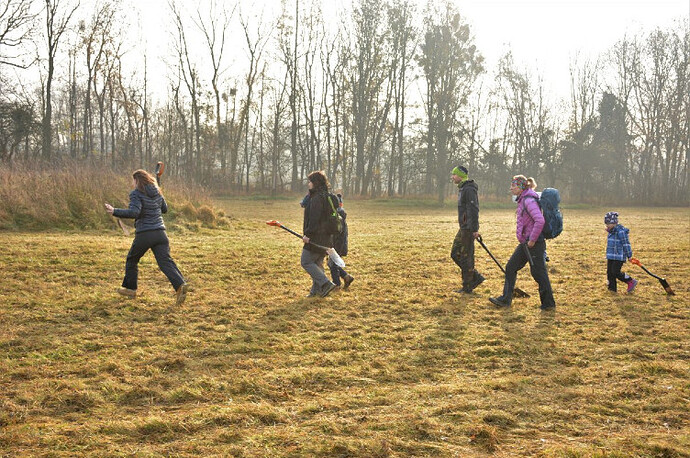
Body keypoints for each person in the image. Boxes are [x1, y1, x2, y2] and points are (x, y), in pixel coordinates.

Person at [105, 169, 188, 305]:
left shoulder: (136, 194)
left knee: (132, 259)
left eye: (133, 180)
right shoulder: (157, 192)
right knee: (165, 262)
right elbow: (164, 209)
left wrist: (115, 211)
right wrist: (159, 193)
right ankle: (180, 285)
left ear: (137, 180)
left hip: (145, 233)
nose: (132, 183)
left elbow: (134, 212)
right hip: (161, 233)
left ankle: (131, 289)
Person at [489, 175, 555, 311]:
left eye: (513, 186)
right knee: (511, 267)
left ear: (520, 187)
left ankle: (548, 304)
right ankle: (505, 299)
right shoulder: (523, 199)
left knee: (539, 273)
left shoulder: (528, 201)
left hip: (534, 244)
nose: (511, 188)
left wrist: (532, 239)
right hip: (526, 243)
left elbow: (540, 220)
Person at [301, 171, 338, 298]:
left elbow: (314, 220)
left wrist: (307, 235)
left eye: (310, 181)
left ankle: (326, 283)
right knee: (317, 263)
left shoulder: (317, 198)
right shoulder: (326, 196)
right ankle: (316, 291)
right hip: (326, 237)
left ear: (315, 183)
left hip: (316, 237)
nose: (308, 184)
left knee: (306, 261)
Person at [450, 165, 485, 294]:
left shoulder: (469, 189)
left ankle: (467, 286)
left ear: (460, 175)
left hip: (468, 228)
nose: (452, 177)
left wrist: (474, 229)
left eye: (454, 174)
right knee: (455, 254)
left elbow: (473, 209)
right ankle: (475, 277)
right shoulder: (463, 188)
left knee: (466, 257)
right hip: (464, 227)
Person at [604, 211, 637, 293]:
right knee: (609, 273)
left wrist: (629, 255)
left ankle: (630, 280)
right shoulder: (611, 232)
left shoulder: (621, 232)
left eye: (608, 223)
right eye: (606, 224)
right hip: (611, 255)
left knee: (615, 272)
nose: (607, 225)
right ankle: (612, 289)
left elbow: (626, 244)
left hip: (619, 256)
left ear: (614, 223)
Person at [328, 193, 354, 289]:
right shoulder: (339, 213)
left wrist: (333, 246)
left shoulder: (337, 216)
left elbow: (337, 233)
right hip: (337, 244)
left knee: (332, 263)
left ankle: (337, 284)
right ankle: (346, 277)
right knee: (332, 263)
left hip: (337, 244)